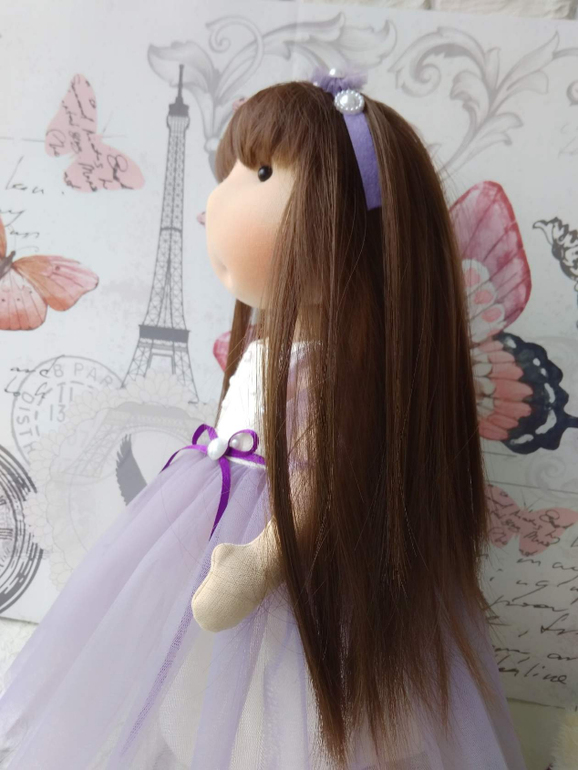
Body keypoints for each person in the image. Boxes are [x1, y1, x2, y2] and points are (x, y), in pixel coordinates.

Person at [0, 67, 528, 769]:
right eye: (230, 173)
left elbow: (318, 484)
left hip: (291, 571)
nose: (215, 201)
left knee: (285, 703)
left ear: (347, 219)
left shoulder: (323, 370)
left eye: (259, 173)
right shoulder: (273, 347)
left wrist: (259, 562)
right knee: (209, 698)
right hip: (221, 532)